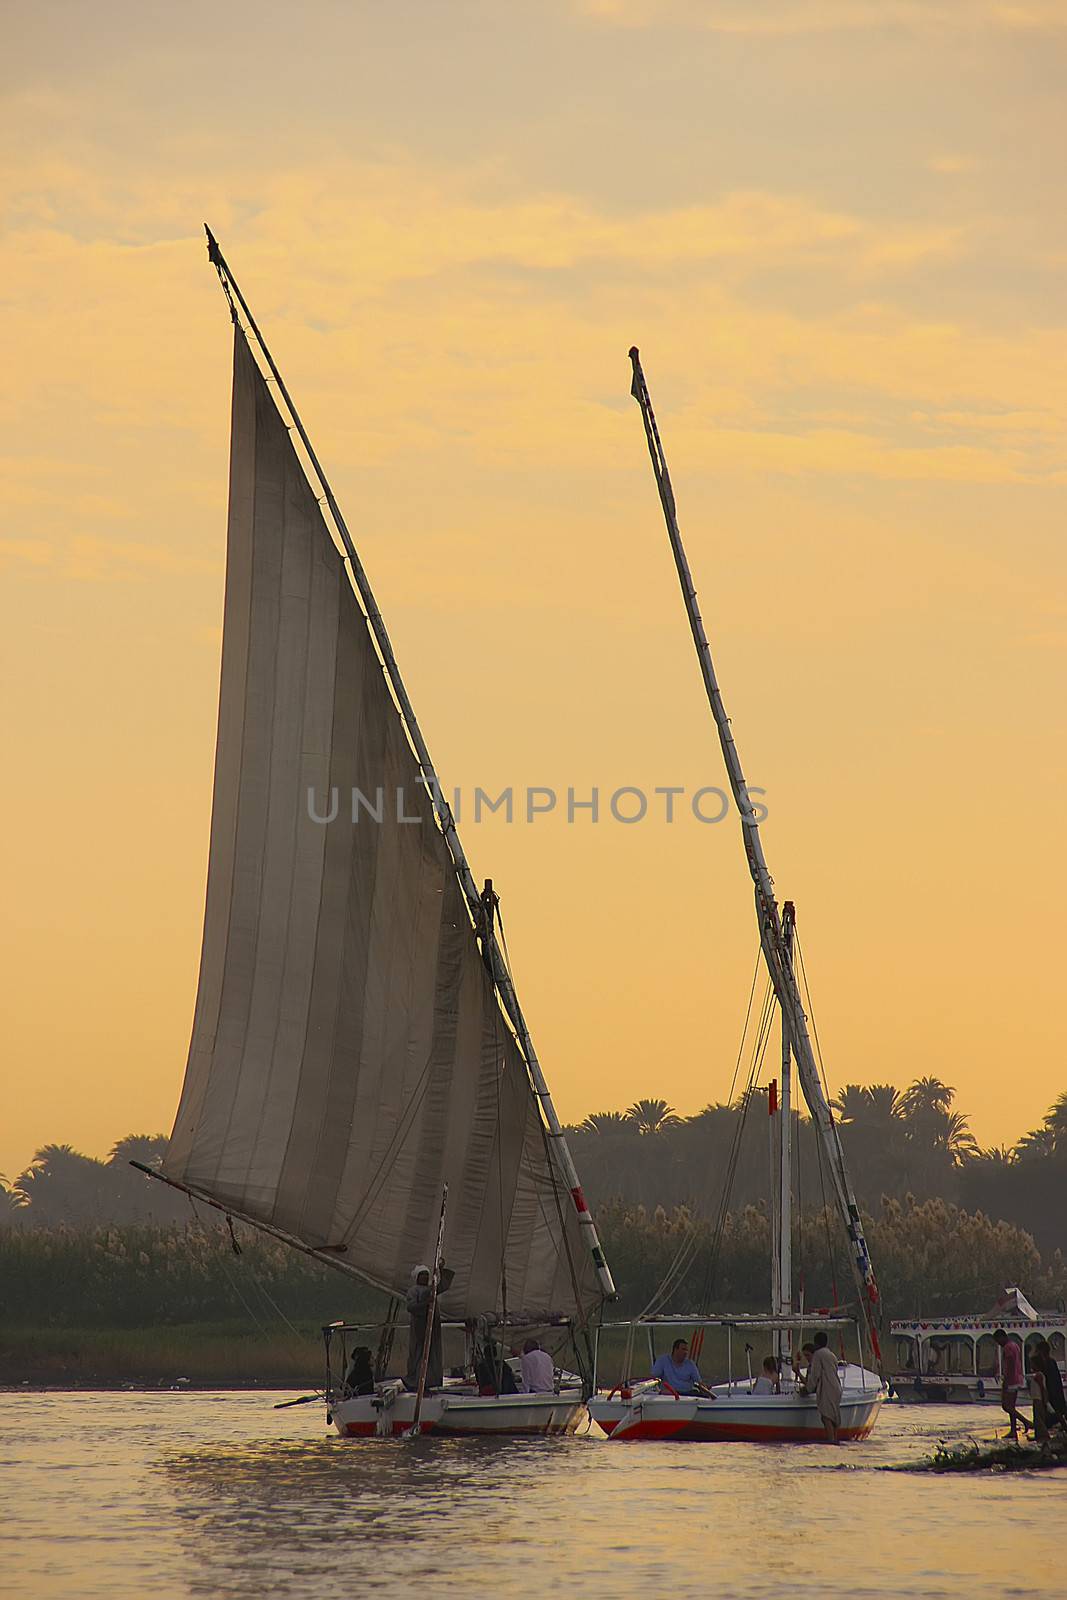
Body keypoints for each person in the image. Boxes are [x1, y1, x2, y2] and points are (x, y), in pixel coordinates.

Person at [403, 1260, 455, 1391]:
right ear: (417, 1278)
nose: (425, 1277)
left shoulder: (431, 1289)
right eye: (423, 1275)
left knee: (433, 1354)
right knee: (419, 1353)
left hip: (433, 1326)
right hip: (420, 1327)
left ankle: (432, 1380)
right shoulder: (413, 1291)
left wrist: (441, 1270)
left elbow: (442, 1286)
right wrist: (426, 1303)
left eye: (427, 1275)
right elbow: (411, 1307)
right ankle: (416, 1380)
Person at [803, 1331, 842, 1443]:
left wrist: (807, 1389)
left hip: (827, 1388)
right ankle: (835, 1438)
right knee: (833, 1416)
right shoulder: (831, 1354)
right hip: (836, 1387)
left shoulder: (818, 1355)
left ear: (816, 1343)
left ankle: (831, 1441)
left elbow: (815, 1375)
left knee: (826, 1417)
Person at [993, 1328, 1029, 1443]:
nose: (998, 1343)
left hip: (1011, 1380)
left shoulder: (1008, 1347)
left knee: (1006, 1406)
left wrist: (1006, 1381)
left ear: (1002, 1337)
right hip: (1017, 1378)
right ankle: (1013, 1430)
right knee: (1011, 1407)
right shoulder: (1015, 1345)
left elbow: (1010, 1365)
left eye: (998, 1340)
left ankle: (1026, 1422)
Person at [651, 1338, 715, 1398]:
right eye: (683, 1349)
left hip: (688, 1394)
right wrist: (661, 1390)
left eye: (686, 1350)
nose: (686, 1352)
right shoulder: (663, 1361)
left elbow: (699, 1382)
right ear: (675, 1349)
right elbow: (654, 1377)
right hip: (670, 1395)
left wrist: (705, 1389)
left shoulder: (690, 1364)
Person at [1033, 1341, 1067, 1434]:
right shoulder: (1050, 1362)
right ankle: (1062, 1426)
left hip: (1052, 1390)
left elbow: (1050, 1379)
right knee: (1058, 1410)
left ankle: (1063, 1427)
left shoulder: (1048, 1362)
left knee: (1057, 1411)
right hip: (1055, 1389)